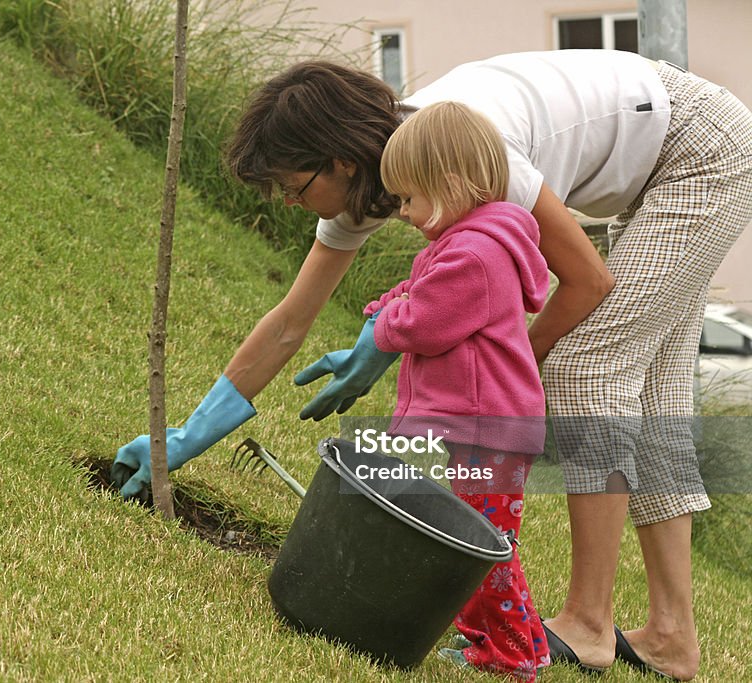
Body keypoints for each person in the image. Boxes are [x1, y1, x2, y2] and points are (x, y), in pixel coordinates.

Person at [112, 52, 752, 680]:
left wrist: (513, 374)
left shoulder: (471, 153)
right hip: (658, 159)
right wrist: (184, 438)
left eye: (293, 187)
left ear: (340, 161)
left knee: (586, 371)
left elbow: (584, 281)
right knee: (656, 398)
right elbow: (289, 321)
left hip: (698, 146)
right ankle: (671, 636)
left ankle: (587, 622)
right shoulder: (394, 178)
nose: (286, 203)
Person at [368, 100, 550, 680]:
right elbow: (419, 288)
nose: (402, 212)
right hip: (486, 425)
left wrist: (386, 321)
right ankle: (499, 640)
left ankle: (515, 655)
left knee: (484, 543)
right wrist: (392, 301)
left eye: (408, 198)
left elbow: (424, 321)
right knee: (475, 534)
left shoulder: (475, 254)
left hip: (488, 428)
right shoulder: (466, 244)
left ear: (449, 186)